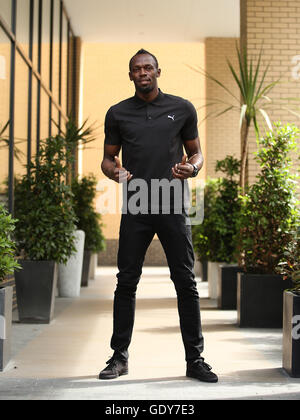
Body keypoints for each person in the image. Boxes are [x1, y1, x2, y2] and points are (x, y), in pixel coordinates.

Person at [99, 49, 218, 383]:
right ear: (130, 75)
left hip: (172, 204)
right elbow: (108, 159)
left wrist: (192, 167)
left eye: (148, 67)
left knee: (185, 282)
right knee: (126, 281)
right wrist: (115, 173)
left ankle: (195, 360)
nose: (143, 72)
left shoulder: (181, 109)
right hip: (137, 205)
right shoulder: (118, 113)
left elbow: (196, 152)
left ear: (158, 71)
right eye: (137, 69)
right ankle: (118, 358)